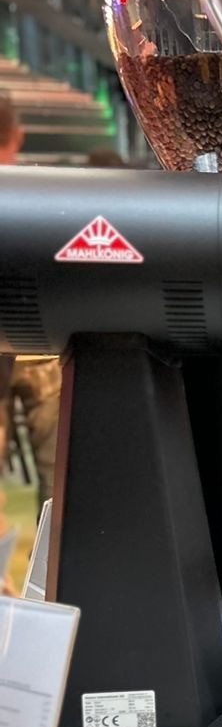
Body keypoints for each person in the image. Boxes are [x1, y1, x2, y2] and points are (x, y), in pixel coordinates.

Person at [0, 94, 61, 512]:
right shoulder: (32, 198)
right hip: (39, 346)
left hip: (32, 351)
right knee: (59, 473)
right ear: (17, 137)